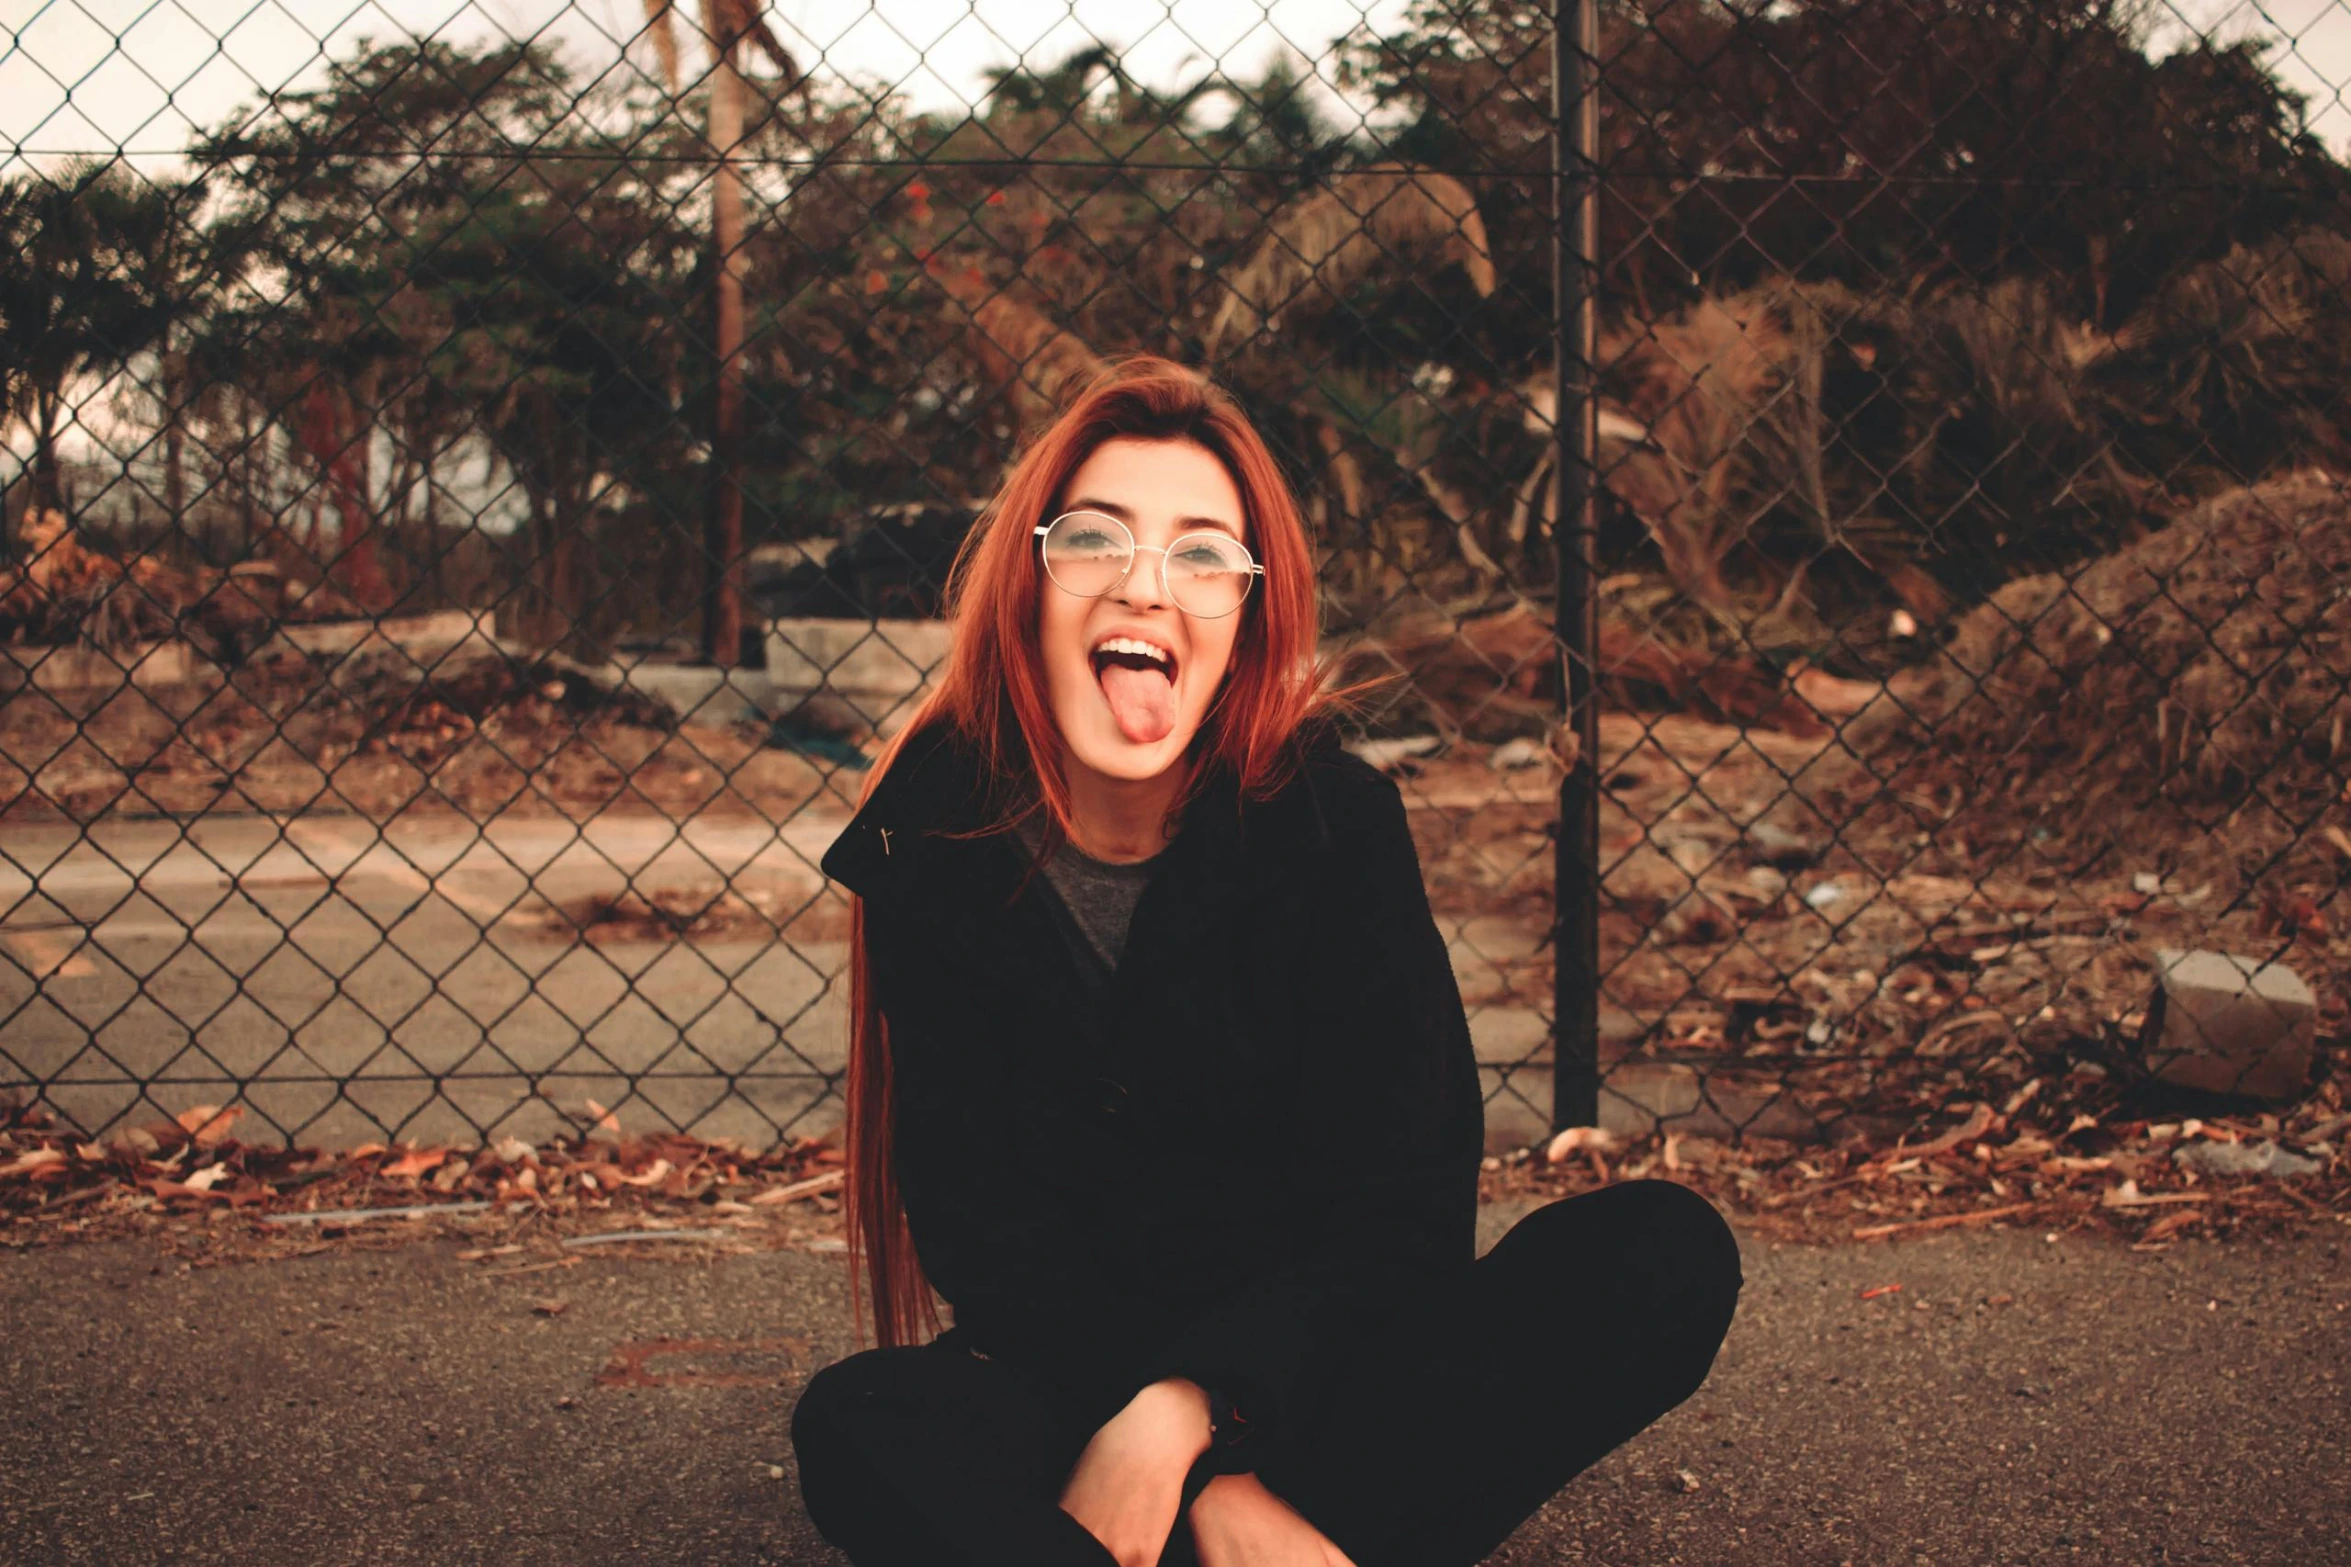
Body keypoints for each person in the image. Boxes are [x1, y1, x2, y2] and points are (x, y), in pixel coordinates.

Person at [789, 358, 1742, 1567]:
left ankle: (1259, 1533)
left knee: (1657, 1253)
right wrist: (1145, 1441)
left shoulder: (1334, 826)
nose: (1144, 584)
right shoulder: (930, 838)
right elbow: (992, 1247)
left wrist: (1203, 1428)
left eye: (1200, 554)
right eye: (1093, 540)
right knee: (862, 1424)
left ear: (1244, 618)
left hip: (1322, 1385)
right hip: (1073, 1401)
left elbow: (1398, 1217)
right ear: (1030, 587)